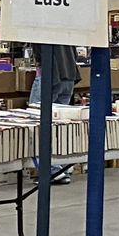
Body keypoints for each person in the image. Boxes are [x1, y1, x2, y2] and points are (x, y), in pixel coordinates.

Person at [28, 43, 80, 184]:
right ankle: (62, 166)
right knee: (59, 125)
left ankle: (51, 169)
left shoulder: (39, 27)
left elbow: (41, 51)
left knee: (35, 122)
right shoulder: (61, 26)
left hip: (51, 74)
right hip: (68, 76)